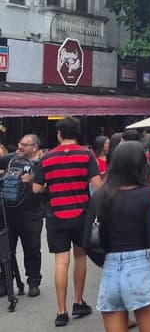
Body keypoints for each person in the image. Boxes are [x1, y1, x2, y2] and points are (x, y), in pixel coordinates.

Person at [86, 141, 150, 332]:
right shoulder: (147, 194)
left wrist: (107, 261)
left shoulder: (101, 195)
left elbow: (87, 241)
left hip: (110, 270)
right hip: (141, 267)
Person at [32, 116, 102, 326]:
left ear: (59, 134)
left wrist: (51, 186)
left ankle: (61, 312)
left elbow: (36, 188)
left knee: (61, 262)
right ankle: (78, 302)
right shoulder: (86, 155)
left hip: (56, 215)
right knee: (80, 258)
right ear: (77, 133)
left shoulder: (47, 157)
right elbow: (97, 185)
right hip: (81, 214)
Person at [0, 133, 44, 297]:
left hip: (31, 214)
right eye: (20, 143)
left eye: (25, 145)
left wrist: (32, 180)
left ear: (34, 147)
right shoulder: (10, 159)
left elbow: (47, 188)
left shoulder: (41, 164)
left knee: (32, 249)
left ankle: (33, 282)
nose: (20, 147)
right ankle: (6, 282)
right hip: (7, 213)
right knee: (5, 250)